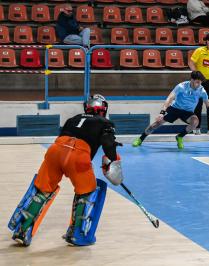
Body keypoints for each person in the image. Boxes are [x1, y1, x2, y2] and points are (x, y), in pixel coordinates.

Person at [8, 95, 124, 246]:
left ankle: (22, 230)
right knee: (87, 192)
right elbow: (108, 144)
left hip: (55, 150)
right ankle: (77, 235)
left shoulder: (73, 119)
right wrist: (113, 161)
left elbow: (66, 137)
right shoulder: (105, 122)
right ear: (102, 110)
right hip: (79, 156)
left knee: (42, 190)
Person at [132, 71, 209, 149]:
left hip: (187, 112)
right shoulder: (181, 86)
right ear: (192, 80)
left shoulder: (201, 90)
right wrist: (162, 112)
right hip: (175, 108)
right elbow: (169, 98)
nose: (199, 84)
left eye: (200, 82)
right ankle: (141, 139)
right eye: (197, 82)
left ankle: (180, 137)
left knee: (195, 122)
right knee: (155, 124)